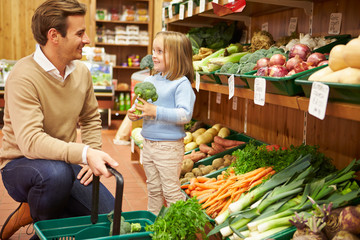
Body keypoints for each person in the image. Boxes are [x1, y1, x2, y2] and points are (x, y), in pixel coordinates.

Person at [0, 0, 119, 239]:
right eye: (80, 33)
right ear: (54, 35)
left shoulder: (81, 72)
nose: (87, 40)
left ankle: (35, 210)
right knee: (55, 176)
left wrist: (91, 156)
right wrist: (85, 153)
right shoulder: (23, 76)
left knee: (110, 218)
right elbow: (31, 142)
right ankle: (40, 220)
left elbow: (91, 118)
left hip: (65, 164)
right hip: (20, 164)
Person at [127, 31, 196, 215]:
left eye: (159, 51)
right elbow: (141, 106)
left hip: (169, 147)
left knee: (171, 191)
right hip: (148, 144)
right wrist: (135, 113)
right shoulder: (150, 79)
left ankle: (182, 229)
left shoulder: (181, 83)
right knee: (153, 190)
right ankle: (154, 226)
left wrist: (155, 111)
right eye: (153, 50)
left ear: (176, 56)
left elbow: (185, 114)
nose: (153, 56)